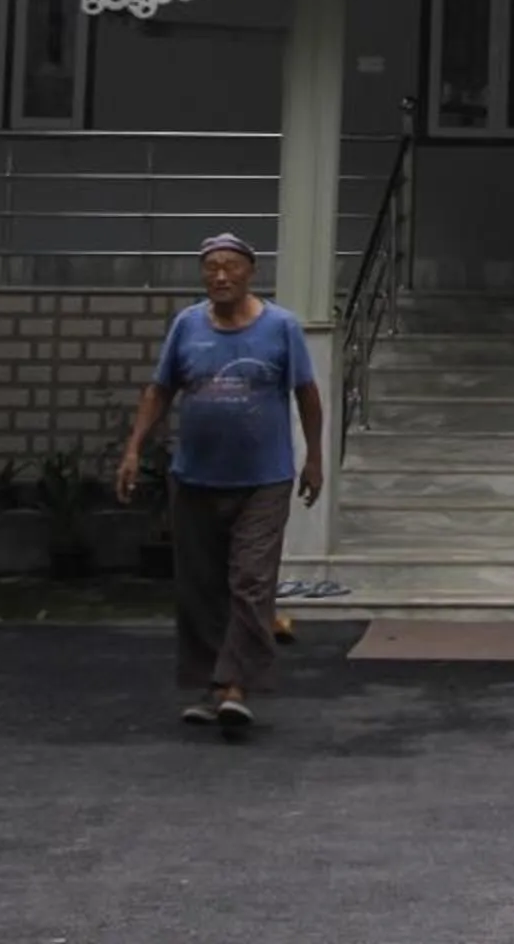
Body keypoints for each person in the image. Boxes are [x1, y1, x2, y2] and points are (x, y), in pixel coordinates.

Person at [117, 232, 322, 731]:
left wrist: (314, 458)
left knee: (250, 583)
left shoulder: (281, 327)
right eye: (212, 268)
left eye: (231, 267)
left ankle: (235, 687)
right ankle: (214, 685)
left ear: (251, 272)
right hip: (196, 479)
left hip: (263, 480)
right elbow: (160, 389)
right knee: (201, 588)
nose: (221, 276)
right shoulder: (187, 325)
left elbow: (307, 394)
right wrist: (133, 448)